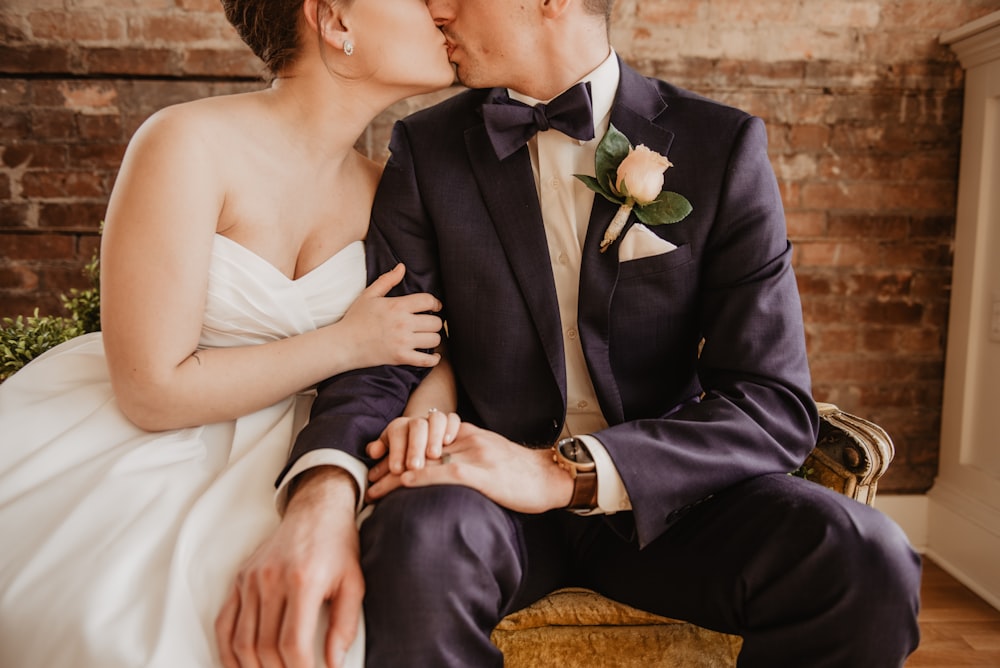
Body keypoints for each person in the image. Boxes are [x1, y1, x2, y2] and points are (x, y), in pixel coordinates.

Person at [223, 0, 924, 666]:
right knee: (420, 539)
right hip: (486, 499)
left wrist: (564, 472)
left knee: (866, 556)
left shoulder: (722, 146)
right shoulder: (425, 148)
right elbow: (389, 353)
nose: (436, 8)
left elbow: (771, 402)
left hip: (675, 502)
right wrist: (322, 489)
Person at [0, 0, 458, 666]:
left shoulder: (392, 190)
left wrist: (430, 414)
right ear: (336, 21)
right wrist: (344, 344)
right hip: (150, 444)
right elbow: (150, 389)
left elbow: (424, 341)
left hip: (310, 451)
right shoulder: (185, 142)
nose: (443, 8)